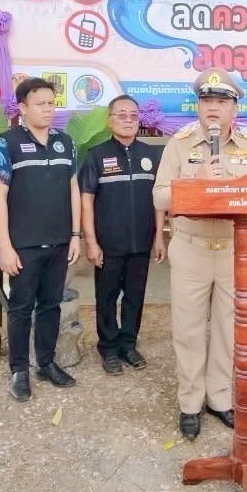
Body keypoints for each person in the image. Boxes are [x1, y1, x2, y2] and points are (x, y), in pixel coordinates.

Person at [153, 68, 247, 440]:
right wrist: (195, 181)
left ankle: (219, 398)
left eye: (222, 101)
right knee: (188, 329)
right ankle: (190, 402)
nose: (213, 108)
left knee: (228, 329)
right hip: (190, 249)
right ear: (198, 105)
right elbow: (159, 197)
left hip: (234, 253)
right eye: (207, 100)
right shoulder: (181, 143)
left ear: (234, 108)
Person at [0, 76, 81, 401]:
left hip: (59, 242)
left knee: (51, 306)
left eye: (51, 104)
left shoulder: (65, 142)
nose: (47, 110)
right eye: (40, 104)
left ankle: (45, 362)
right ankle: (19, 371)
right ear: (23, 108)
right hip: (23, 245)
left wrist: (75, 235)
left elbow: (74, 190)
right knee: (20, 308)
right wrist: (4, 246)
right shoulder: (6, 143)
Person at [79, 94, 166, 375]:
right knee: (106, 296)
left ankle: (128, 344)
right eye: (122, 115)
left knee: (135, 296)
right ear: (110, 119)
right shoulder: (97, 156)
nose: (128, 120)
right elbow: (86, 200)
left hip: (141, 242)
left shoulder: (152, 155)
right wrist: (91, 241)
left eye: (133, 116)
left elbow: (159, 199)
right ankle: (108, 348)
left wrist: (159, 237)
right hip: (108, 244)